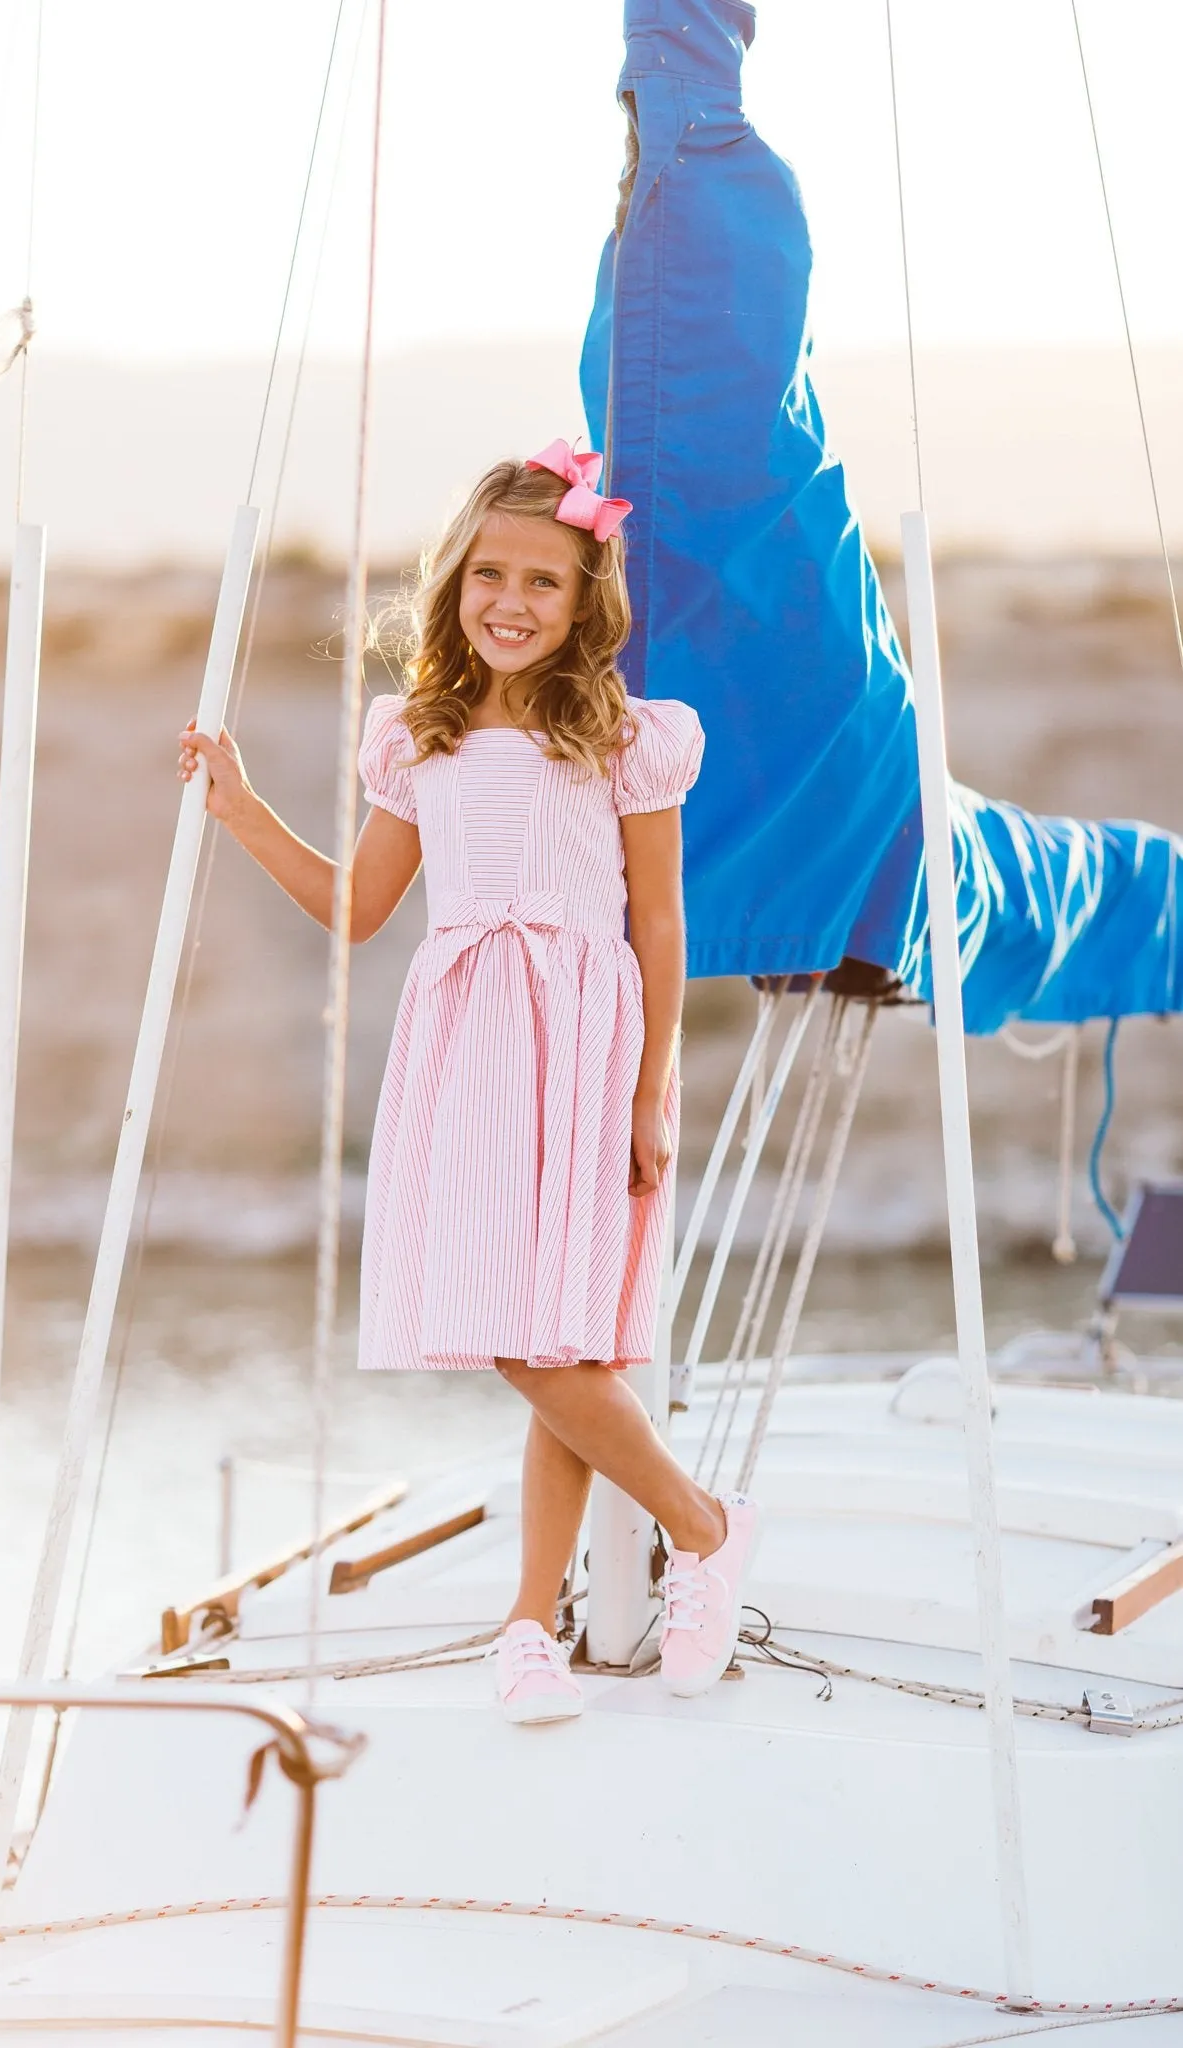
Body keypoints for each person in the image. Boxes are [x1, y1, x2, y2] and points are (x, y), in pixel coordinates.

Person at [178, 442, 759, 1724]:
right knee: (533, 1328)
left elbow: (659, 925)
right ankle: (541, 1619)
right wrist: (243, 808)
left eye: (542, 581)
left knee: (549, 1332)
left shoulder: (625, 734)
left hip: (588, 1037)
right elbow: (356, 906)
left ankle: (699, 1533)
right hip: (466, 1041)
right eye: (489, 572)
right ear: (454, 585)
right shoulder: (420, 738)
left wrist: (652, 1087)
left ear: (582, 598)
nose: (512, 599)